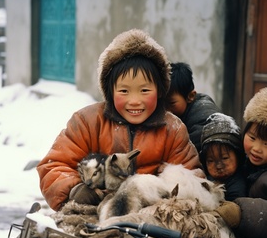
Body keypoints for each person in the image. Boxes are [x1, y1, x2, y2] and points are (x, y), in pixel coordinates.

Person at [36, 29, 203, 211]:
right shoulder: (87, 122)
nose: (134, 101)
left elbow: (192, 178)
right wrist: (75, 189)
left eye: (144, 90)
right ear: (110, 91)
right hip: (92, 216)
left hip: (152, 219)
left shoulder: (173, 129)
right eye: (124, 91)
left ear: (161, 90)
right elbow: (53, 166)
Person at [233, 87, 267, 238]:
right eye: (252, 138)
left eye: (266, 144)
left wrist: (239, 213)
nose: (257, 149)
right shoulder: (239, 160)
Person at [166, 62, 220, 152]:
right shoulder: (180, 113)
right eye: (161, 103)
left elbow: (185, 151)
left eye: (171, 103)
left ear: (190, 96)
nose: (166, 109)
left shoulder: (203, 119)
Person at [200, 112, 247, 201]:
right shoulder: (205, 178)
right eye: (210, 160)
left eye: (225, 158)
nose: (219, 166)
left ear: (238, 155)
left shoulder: (238, 186)